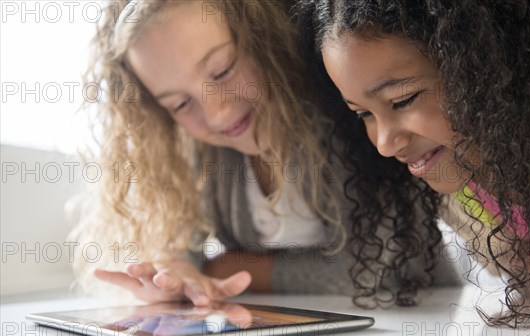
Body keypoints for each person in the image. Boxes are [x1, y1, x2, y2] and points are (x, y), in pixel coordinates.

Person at [71, 0, 462, 307]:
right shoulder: (207, 156)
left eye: (222, 71)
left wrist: (235, 266)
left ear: (263, 38)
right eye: (179, 104)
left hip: (413, 327)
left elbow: (375, 270)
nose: (216, 112)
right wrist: (180, 275)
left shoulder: (346, 120)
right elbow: (186, 256)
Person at [297, 0, 530, 325]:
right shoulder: (460, 191)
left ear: (484, 68)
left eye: (402, 100)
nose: (384, 144)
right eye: (364, 113)